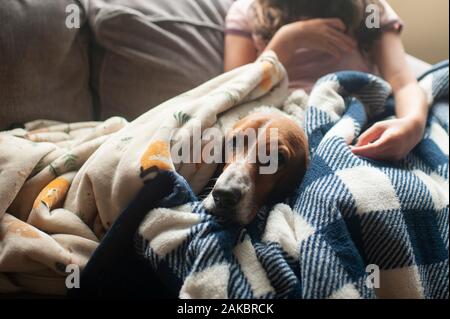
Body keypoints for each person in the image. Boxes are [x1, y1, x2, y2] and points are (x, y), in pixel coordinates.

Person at [224, 0, 428, 162]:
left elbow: (404, 83)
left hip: (359, 118)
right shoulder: (248, 12)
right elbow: (235, 94)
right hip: (286, 128)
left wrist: (412, 124)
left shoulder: (370, 12)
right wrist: (288, 40)